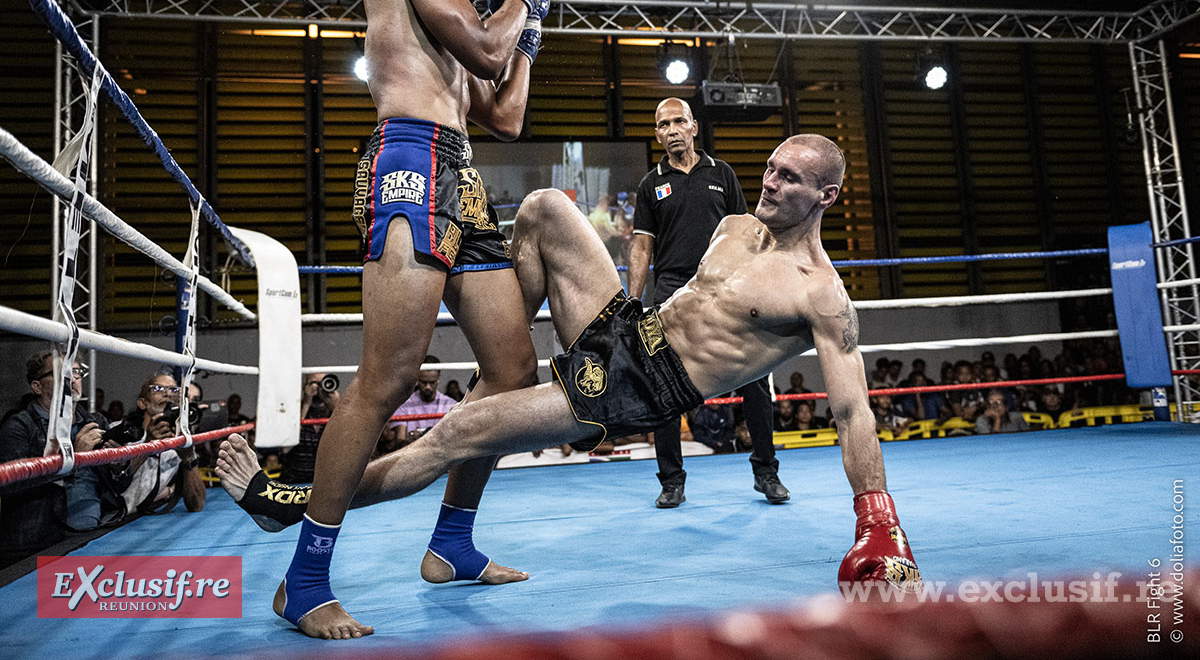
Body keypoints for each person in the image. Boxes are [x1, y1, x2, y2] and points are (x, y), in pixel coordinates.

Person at [217, 135, 922, 638]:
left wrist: (878, 518)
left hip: (639, 394)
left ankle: (292, 506)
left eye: (792, 180)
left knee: (457, 431)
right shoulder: (736, 225)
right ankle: (492, 414)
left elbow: (854, 410)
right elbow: (678, 293)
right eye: (771, 169)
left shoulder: (821, 296)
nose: (771, 184)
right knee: (547, 206)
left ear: (827, 195)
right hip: (629, 333)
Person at [269, 0, 569, 638]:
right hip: (407, 159)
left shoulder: (464, 19)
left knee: (512, 370)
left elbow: (506, 116)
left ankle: (452, 543)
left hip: (462, 179)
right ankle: (303, 581)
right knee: (389, 375)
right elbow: (488, 52)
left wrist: (530, 21)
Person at [627, 97, 788, 509]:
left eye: (679, 121)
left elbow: (746, 233)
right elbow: (642, 246)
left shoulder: (722, 174)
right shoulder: (651, 184)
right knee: (663, 383)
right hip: (673, 289)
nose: (672, 129)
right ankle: (671, 481)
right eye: (663, 124)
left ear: (694, 126)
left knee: (755, 379)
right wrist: (632, 302)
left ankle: (766, 473)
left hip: (726, 287)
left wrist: (759, 284)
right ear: (657, 133)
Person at [0, 352, 117, 567]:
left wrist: (119, 462)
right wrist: (74, 458)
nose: (72, 379)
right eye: (62, 373)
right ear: (37, 387)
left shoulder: (94, 421)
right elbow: (10, 485)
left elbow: (117, 485)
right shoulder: (18, 426)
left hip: (96, 535)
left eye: (76, 372)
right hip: (38, 544)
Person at [118, 372, 206, 515]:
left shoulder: (177, 442)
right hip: (113, 524)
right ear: (142, 403)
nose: (167, 394)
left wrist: (189, 458)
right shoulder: (121, 433)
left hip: (143, 522)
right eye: (158, 389)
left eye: (174, 390)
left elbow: (196, 504)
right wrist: (148, 446)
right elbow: (114, 485)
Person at [278, 373, 340, 484]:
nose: (319, 389)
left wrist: (336, 407)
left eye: (323, 383)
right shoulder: (292, 411)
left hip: (325, 485)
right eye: (313, 383)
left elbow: (352, 445)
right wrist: (306, 404)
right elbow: (285, 448)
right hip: (292, 484)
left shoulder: (338, 414)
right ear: (304, 388)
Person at [391, 357, 457, 444]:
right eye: (424, 382)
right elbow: (400, 439)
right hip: (412, 452)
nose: (428, 387)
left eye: (432, 382)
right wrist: (410, 439)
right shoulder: (404, 405)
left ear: (438, 379)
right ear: (417, 379)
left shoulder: (450, 405)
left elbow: (454, 439)